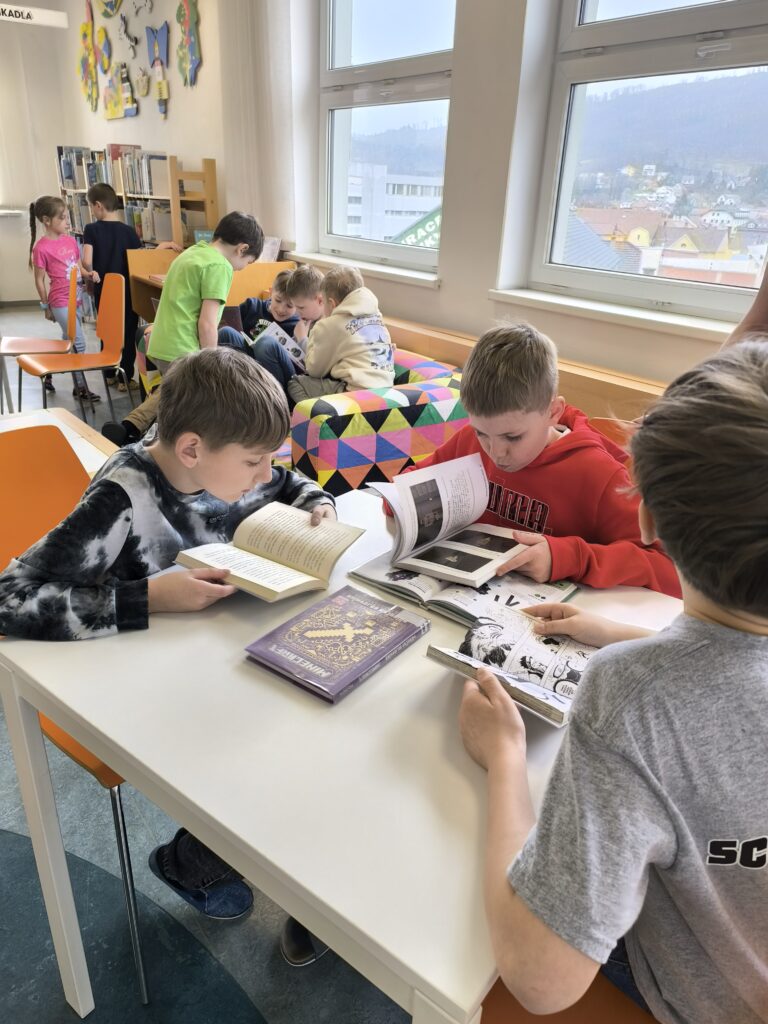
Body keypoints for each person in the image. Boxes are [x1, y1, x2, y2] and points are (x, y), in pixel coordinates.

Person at [458, 339, 768, 1022]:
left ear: (647, 517)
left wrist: (504, 756)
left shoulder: (631, 695)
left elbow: (540, 982)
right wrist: (628, 634)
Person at [409, 323, 680, 596]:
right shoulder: (470, 440)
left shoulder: (599, 473)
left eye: (513, 437)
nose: (496, 452)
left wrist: (570, 558)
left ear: (553, 412)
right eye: (482, 433)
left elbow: (671, 570)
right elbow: (408, 488)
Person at [101, 211, 264, 446]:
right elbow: (207, 323)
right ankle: (153, 443)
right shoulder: (220, 266)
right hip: (182, 346)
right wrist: (211, 362)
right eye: (248, 262)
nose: (243, 268)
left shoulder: (192, 253)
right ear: (242, 249)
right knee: (191, 404)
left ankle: (130, 427)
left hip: (160, 341)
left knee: (174, 393)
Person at [81, 182, 180, 392]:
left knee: (107, 330)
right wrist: (162, 247)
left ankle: (108, 372)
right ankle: (125, 377)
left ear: (98, 205)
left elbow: (87, 261)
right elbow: (140, 259)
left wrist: (90, 274)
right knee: (127, 332)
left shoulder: (91, 229)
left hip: (104, 289)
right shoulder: (129, 232)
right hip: (127, 291)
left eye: (91, 206)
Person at [252, 264, 395, 405]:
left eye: (300, 307)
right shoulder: (375, 316)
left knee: (295, 384)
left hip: (353, 393)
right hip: (385, 389)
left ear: (330, 303)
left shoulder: (329, 325)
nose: (298, 313)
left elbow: (314, 371)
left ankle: (314, 414)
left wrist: (302, 339)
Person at [29, 195, 100, 402]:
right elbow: (39, 280)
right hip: (59, 301)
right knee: (79, 342)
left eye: (67, 217)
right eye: (62, 218)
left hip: (76, 298)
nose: (67, 222)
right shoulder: (41, 248)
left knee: (67, 340)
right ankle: (80, 387)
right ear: (46, 220)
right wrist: (46, 307)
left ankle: (47, 370)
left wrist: (89, 274)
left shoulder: (70, 241)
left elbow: (77, 267)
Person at [217, 268, 300, 356]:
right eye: (278, 300)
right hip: (241, 356)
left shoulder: (296, 326)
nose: (281, 309)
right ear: (271, 292)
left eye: (289, 306)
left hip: (267, 362)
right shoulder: (252, 306)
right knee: (225, 331)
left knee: (265, 344)